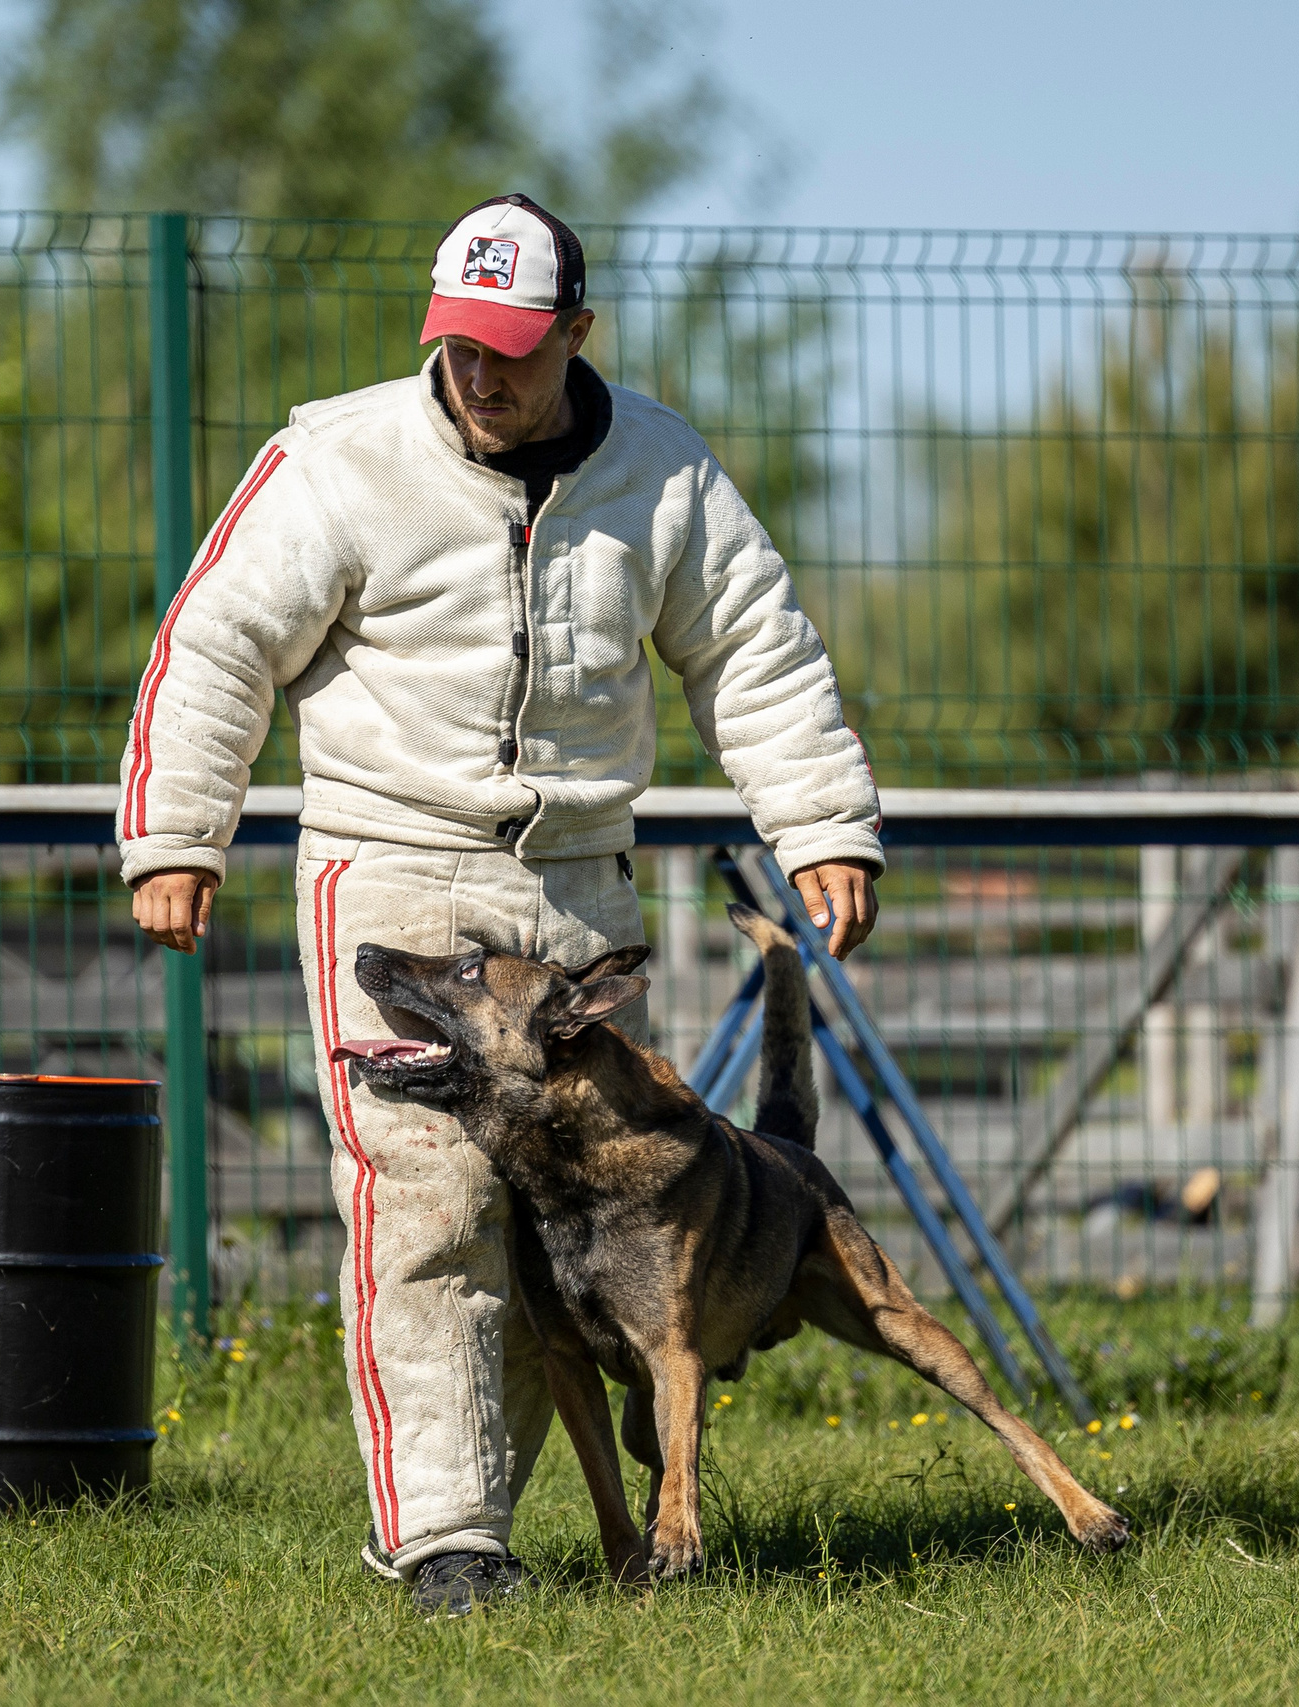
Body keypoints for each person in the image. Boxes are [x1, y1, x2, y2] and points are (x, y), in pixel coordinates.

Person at [117, 193, 884, 1616]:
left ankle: (510, 1514)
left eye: (515, 347)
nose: (483, 373)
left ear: (577, 335)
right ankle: (447, 1538)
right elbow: (215, 638)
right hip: (392, 864)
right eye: (459, 343)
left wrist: (825, 824)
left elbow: (757, 655)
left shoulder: (664, 472)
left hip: (577, 881)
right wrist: (176, 834)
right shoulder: (336, 460)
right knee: (429, 1203)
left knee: (574, 1227)